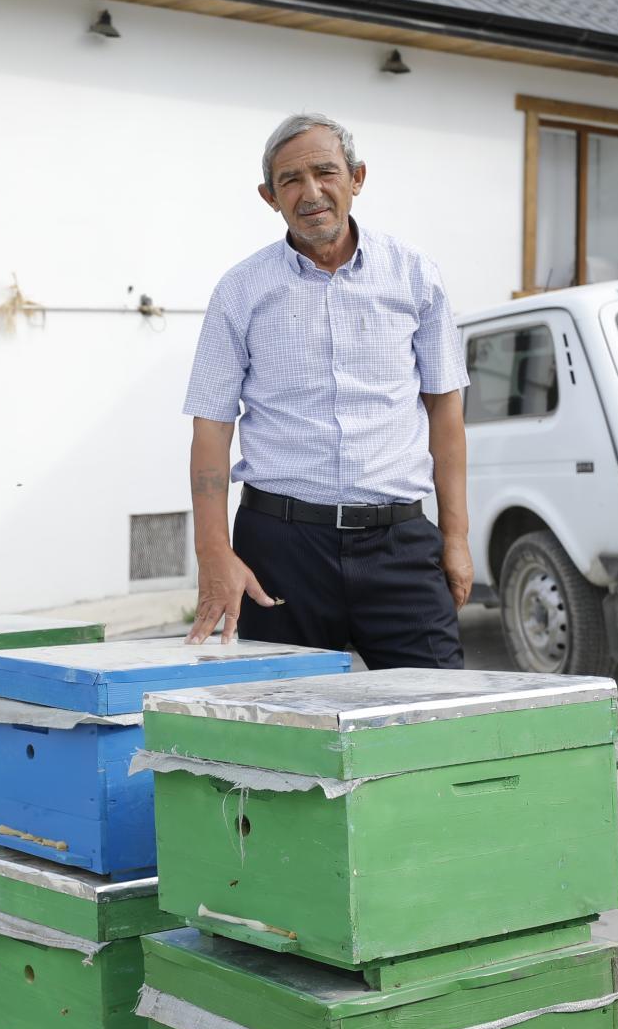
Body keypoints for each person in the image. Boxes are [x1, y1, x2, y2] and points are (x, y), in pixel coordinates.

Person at [182, 112, 471, 666]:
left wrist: (455, 538)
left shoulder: (415, 275)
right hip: (280, 550)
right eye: (290, 180)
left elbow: (445, 409)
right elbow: (211, 427)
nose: (310, 192)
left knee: (435, 708)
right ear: (270, 197)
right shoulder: (241, 291)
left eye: (325, 172)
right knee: (280, 713)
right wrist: (213, 552)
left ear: (356, 178)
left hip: (400, 545)